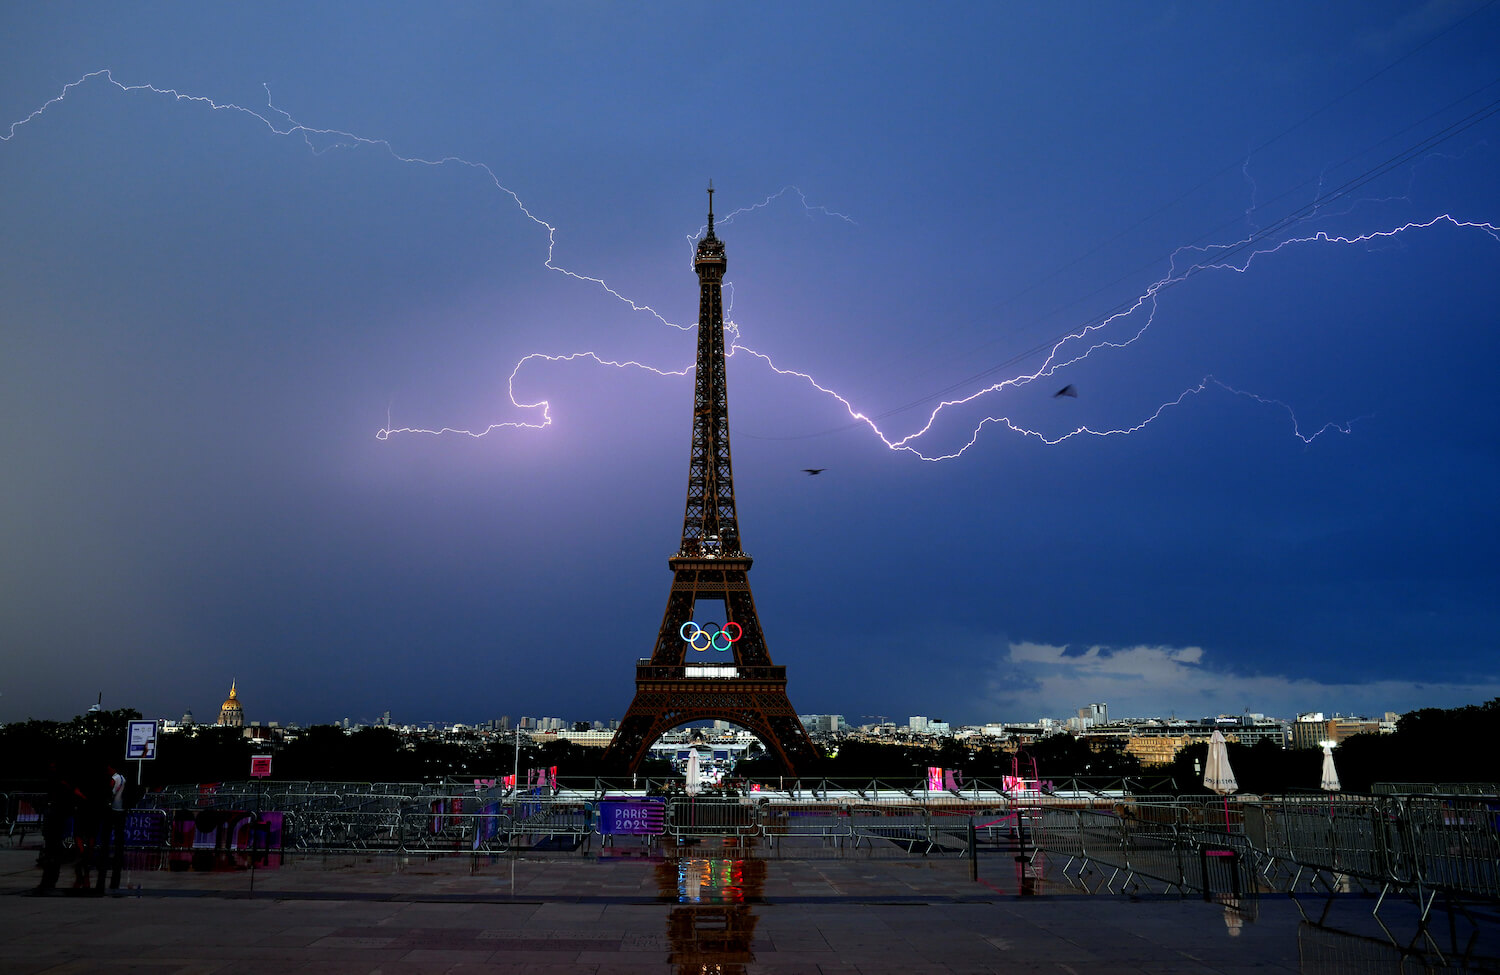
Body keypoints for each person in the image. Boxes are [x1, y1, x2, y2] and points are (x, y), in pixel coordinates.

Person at [35, 763, 73, 893]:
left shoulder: (59, 784)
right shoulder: (59, 784)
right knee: (52, 851)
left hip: (55, 821)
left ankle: (49, 879)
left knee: (53, 851)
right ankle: (49, 879)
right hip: (54, 821)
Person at [97, 765, 128, 891]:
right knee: (119, 834)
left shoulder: (114, 779)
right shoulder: (124, 778)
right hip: (122, 809)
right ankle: (118, 853)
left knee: (107, 832)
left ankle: (105, 852)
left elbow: (110, 792)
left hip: (113, 809)